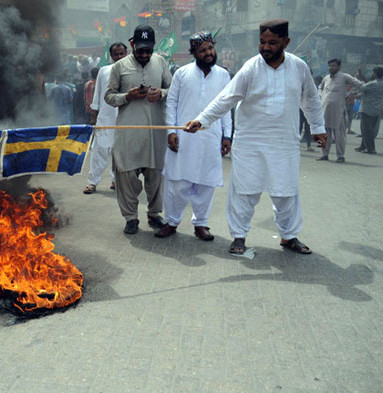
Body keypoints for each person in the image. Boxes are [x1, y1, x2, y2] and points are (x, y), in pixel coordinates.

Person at [185, 19, 327, 255]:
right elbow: (226, 98)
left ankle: (289, 236)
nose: (265, 47)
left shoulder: (299, 67)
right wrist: (202, 120)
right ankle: (239, 236)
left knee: (286, 191)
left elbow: (310, 99)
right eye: (262, 42)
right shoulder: (251, 67)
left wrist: (318, 126)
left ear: (286, 42)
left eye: (272, 42)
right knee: (244, 191)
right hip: (250, 142)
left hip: (284, 143)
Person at [155, 32, 232, 241]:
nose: (208, 53)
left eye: (210, 48)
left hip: (211, 137)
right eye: (202, 50)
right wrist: (171, 131)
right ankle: (171, 222)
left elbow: (226, 108)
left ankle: (201, 224)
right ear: (194, 53)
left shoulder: (224, 75)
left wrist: (227, 136)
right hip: (183, 138)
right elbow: (171, 103)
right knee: (178, 184)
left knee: (206, 184)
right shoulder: (182, 73)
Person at [104, 24, 172, 234]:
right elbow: (109, 96)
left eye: (148, 50)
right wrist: (128, 96)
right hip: (129, 131)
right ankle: (131, 217)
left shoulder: (160, 62)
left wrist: (160, 93)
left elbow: (173, 90)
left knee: (156, 174)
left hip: (155, 130)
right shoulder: (119, 67)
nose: (144, 54)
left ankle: (154, 214)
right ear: (132, 45)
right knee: (126, 174)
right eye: (140, 49)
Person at [82, 43, 128, 195]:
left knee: (120, 153)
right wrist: (94, 117)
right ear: (111, 56)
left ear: (126, 53)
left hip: (124, 119)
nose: (119, 57)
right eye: (116, 54)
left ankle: (116, 180)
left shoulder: (133, 71)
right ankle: (92, 182)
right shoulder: (104, 71)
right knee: (99, 150)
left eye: (122, 54)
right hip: (105, 118)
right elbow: (97, 97)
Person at [316, 59, 362, 163]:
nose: (331, 68)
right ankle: (324, 155)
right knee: (324, 134)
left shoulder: (344, 77)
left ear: (338, 67)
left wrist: (351, 93)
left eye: (333, 66)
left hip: (338, 112)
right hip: (325, 111)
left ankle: (340, 156)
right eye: (330, 66)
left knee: (339, 135)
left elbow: (359, 84)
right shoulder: (326, 78)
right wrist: (321, 95)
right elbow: (320, 88)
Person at [354, 67, 383, 154]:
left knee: (367, 130)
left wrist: (358, 79)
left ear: (375, 73)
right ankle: (363, 146)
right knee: (368, 129)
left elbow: (361, 88)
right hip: (376, 110)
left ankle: (371, 149)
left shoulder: (372, 84)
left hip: (367, 110)